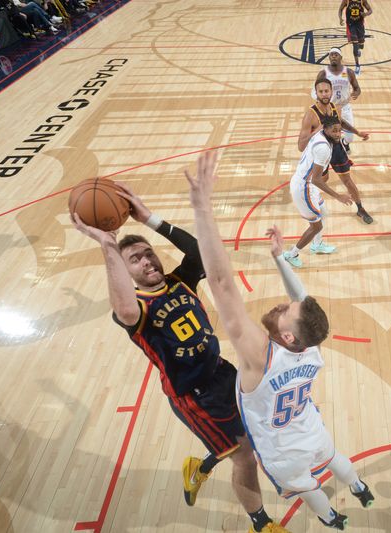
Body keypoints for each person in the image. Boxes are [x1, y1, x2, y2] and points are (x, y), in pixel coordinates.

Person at [71, 186, 288, 533]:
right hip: (195, 396)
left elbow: (201, 254)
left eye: (148, 254)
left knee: (252, 435)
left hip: (223, 372)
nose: (147, 261)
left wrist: (150, 219)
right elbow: (124, 307)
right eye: (136, 260)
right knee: (244, 455)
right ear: (126, 272)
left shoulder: (179, 281)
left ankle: (199, 468)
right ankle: (260, 524)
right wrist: (108, 245)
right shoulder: (136, 309)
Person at [184, 150, 375, 531]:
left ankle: (332, 518)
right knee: (334, 456)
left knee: (309, 488)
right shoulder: (311, 347)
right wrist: (278, 258)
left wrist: (202, 207)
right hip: (310, 427)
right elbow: (302, 300)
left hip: (283, 451)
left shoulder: (259, 356)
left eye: (285, 310)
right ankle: (360, 487)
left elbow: (221, 284)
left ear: (286, 335)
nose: (282, 303)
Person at [299, 78, 374, 225]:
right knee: (320, 181)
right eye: (321, 91)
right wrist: (319, 130)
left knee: (348, 181)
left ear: (331, 92)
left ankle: (360, 208)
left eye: (327, 91)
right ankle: (311, 204)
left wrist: (357, 132)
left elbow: (341, 122)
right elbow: (301, 146)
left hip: (336, 148)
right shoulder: (310, 115)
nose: (324, 94)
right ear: (316, 93)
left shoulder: (336, 108)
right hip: (320, 152)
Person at [287, 115, 355, 268]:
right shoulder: (323, 148)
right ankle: (292, 254)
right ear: (326, 130)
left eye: (339, 131)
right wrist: (339, 197)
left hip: (308, 184)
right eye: (334, 131)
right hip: (304, 187)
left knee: (323, 212)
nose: (338, 134)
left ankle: (317, 245)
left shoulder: (321, 134)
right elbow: (317, 179)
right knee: (316, 226)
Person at [314, 48, 362, 153]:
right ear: (329, 57)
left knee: (350, 137)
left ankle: (345, 143)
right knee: (328, 135)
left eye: (336, 54)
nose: (334, 56)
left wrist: (356, 93)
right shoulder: (323, 73)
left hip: (345, 107)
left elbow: (357, 88)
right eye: (331, 55)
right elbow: (316, 91)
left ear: (341, 57)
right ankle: (331, 152)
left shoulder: (348, 72)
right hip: (330, 109)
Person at [338, 0, 372, 74]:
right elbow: (340, 9)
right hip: (351, 26)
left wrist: (365, 14)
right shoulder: (346, 1)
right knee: (355, 45)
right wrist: (340, 19)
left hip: (360, 25)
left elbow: (370, 10)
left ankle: (359, 48)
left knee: (361, 45)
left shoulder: (362, 1)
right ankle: (357, 65)